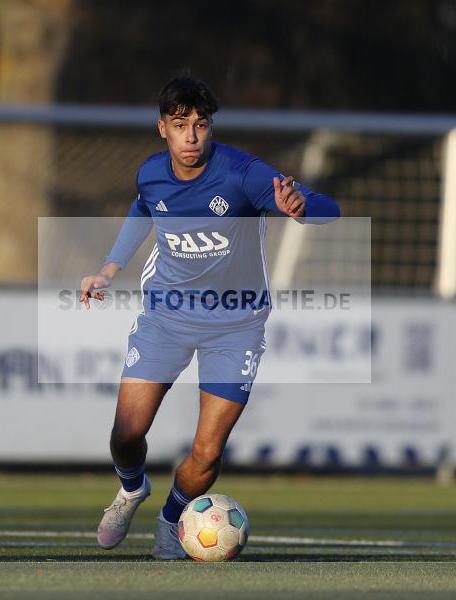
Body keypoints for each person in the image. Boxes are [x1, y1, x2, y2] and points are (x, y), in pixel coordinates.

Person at [78, 72, 340, 559]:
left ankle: (171, 521)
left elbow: (332, 207)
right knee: (127, 434)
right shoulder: (151, 174)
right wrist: (109, 267)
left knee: (208, 452)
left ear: (210, 127)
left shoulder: (244, 174)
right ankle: (132, 488)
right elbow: (143, 210)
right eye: (181, 126)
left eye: (201, 125)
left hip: (235, 324)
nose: (192, 136)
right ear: (163, 129)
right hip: (167, 316)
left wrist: (303, 208)